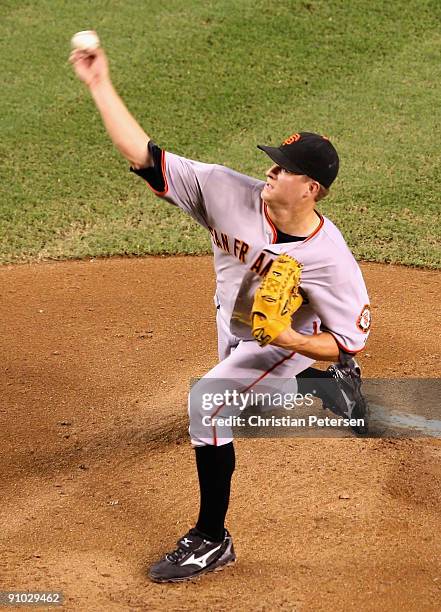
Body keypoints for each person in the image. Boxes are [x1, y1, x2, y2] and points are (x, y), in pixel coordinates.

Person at [70, 44, 371, 583]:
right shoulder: (224, 189)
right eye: (275, 160)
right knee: (257, 404)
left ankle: (212, 539)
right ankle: (330, 389)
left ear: (311, 189)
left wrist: (289, 339)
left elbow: (348, 340)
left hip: (280, 343)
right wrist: (98, 84)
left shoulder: (332, 259)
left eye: (284, 168)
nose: (270, 170)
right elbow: (145, 156)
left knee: (208, 403)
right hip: (231, 326)